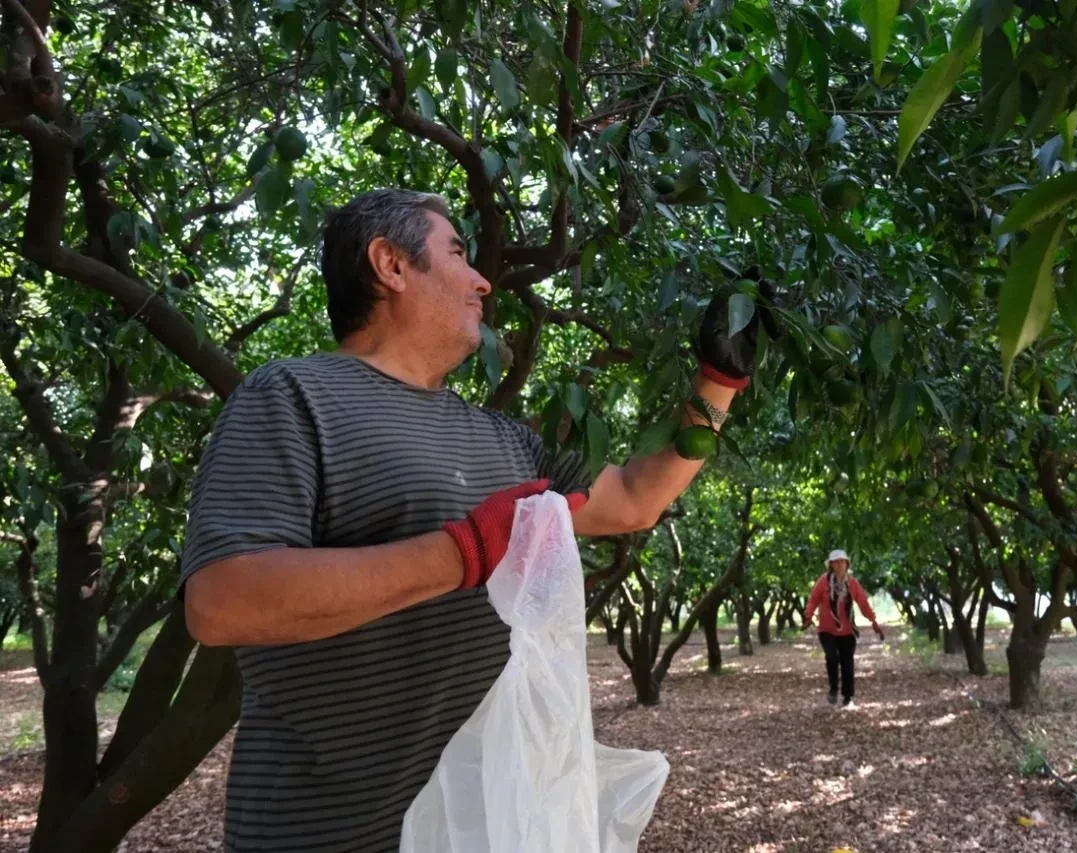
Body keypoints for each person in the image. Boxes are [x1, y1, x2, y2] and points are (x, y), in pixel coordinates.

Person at [180, 188, 775, 853]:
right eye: (458, 253)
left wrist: (719, 380)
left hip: (475, 833)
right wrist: (462, 552)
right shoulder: (291, 397)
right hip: (319, 835)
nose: (483, 278)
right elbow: (221, 600)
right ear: (390, 264)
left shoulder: (504, 441)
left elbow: (636, 498)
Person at [802, 549, 884, 708]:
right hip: (827, 630)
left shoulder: (852, 583)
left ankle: (848, 696)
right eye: (836, 562)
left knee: (847, 663)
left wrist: (873, 621)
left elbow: (863, 603)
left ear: (847, 564)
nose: (839, 565)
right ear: (831, 565)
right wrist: (808, 615)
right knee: (831, 657)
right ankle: (833, 689)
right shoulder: (823, 582)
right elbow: (813, 599)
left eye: (842, 562)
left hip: (847, 631)